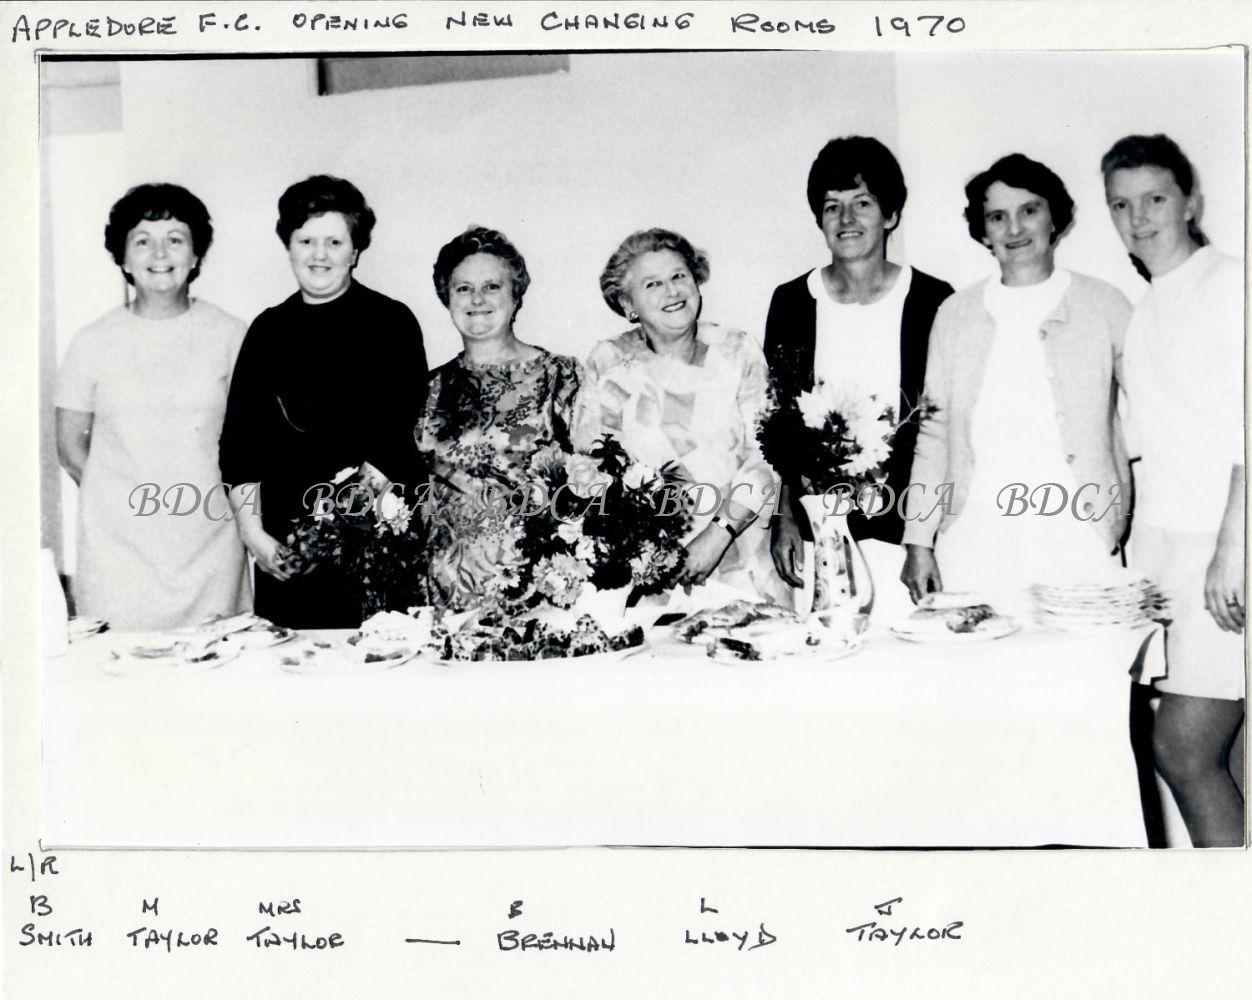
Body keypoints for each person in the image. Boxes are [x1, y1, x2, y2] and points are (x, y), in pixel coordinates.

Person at [901, 154, 1133, 617]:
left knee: (1082, 659)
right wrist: (918, 541)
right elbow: (934, 435)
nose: (1014, 228)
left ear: (1054, 218)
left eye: (1029, 210)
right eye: (997, 217)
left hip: (1077, 533)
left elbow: (1150, 408)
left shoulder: (1105, 305)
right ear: (983, 231)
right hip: (975, 535)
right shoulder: (955, 314)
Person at [1102, 133, 1245, 847]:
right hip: (1162, 555)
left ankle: (1224, 903)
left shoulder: (1230, 284)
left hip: (1221, 549)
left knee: (1183, 748)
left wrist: (1233, 550)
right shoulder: (1145, 307)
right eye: (1121, 204)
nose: (1139, 218)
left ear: (1191, 202)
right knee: (1223, 755)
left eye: (1155, 198)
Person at [219, 175, 427, 628]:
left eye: (334, 241)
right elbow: (239, 446)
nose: (319, 254)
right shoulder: (267, 331)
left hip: (373, 547)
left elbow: (395, 439)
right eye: (306, 240)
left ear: (355, 250)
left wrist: (328, 535)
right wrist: (255, 537)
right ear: (289, 247)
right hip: (286, 557)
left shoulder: (390, 323)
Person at [764, 136, 953, 620]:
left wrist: (923, 540)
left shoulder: (933, 301)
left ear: (890, 214)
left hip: (907, 533)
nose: (846, 219)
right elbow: (781, 428)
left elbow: (939, 430)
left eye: (862, 203)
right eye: (832, 207)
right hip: (821, 533)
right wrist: (784, 518)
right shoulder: (791, 303)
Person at [56, 183, 250, 631]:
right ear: (123, 258)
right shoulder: (91, 342)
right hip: (119, 553)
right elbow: (69, 448)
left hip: (210, 546)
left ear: (196, 255)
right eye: (143, 240)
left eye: (175, 239)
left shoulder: (230, 334)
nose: (160, 253)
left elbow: (250, 441)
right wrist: (122, 504)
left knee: (214, 662)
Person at [586, 227, 786, 603]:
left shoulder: (736, 349)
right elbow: (592, 463)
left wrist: (718, 534)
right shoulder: (608, 361)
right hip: (647, 570)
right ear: (628, 304)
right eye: (652, 284)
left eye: (679, 276)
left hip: (740, 556)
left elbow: (768, 452)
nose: (672, 290)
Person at [417, 226, 595, 611]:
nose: (477, 299)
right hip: (446, 599)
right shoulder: (428, 389)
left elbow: (593, 485)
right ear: (447, 297)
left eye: (492, 287)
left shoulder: (560, 377)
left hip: (541, 592)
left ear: (515, 296)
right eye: (463, 288)